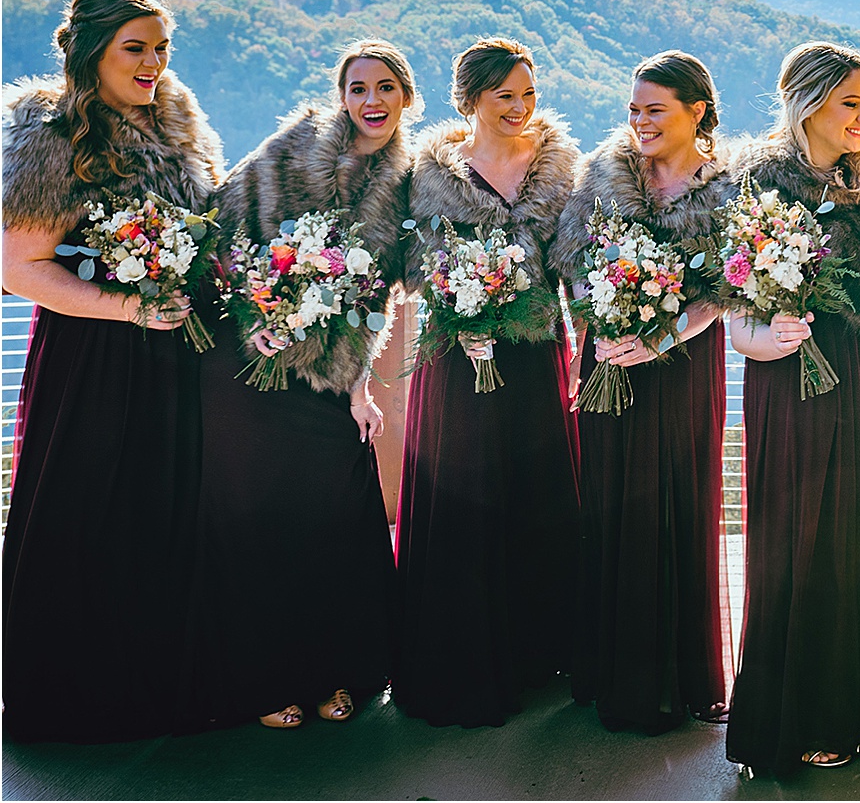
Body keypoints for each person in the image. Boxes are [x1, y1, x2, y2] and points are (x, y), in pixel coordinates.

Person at [0, 0, 227, 742]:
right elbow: (19, 266)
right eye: (136, 48)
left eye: (162, 48)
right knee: (90, 512)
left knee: (168, 511)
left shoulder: (179, 122)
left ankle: (167, 687)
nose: (154, 63)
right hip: (93, 358)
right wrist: (127, 308)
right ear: (91, 51)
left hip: (176, 356)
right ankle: (78, 698)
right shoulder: (52, 134)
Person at [183, 40, 417, 732]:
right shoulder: (292, 147)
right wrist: (255, 313)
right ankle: (265, 682)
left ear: (407, 96)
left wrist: (357, 388)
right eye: (357, 89)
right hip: (249, 371)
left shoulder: (408, 180)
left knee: (331, 527)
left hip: (327, 382)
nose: (370, 102)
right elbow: (221, 234)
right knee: (258, 529)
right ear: (341, 95)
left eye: (384, 88)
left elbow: (383, 297)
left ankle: (330, 674)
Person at [725, 42, 860, 779]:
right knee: (797, 543)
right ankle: (804, 711)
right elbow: (731, 306)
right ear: (807, 101)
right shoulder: (752, 185)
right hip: (794, 381)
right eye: (851, 103)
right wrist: (765, 338)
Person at [393, 37, 582, 728]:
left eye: (528, 93)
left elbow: (577, 265)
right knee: (462, 495)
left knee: (534, 495)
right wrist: (452, 297)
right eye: (505, 95)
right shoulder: (426, 171)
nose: (519, 106)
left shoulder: (562, 169)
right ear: (469, 98)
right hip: (456, 354)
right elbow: (408, 261)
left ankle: (537, 657)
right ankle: (462, 661)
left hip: (535, 355)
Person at [554, 50, 732, 732]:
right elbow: (570, 258)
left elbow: (724, 288)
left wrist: (660, 337)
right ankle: (608, 669)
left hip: (681, 365)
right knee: (609, 503)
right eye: (634, 110)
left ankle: (669, 679)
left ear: (697, 111)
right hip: (605, 359)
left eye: (655, 110)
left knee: (674, 503)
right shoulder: (603, 174)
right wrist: (599, 321)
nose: (640, 122)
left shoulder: (726, 187)